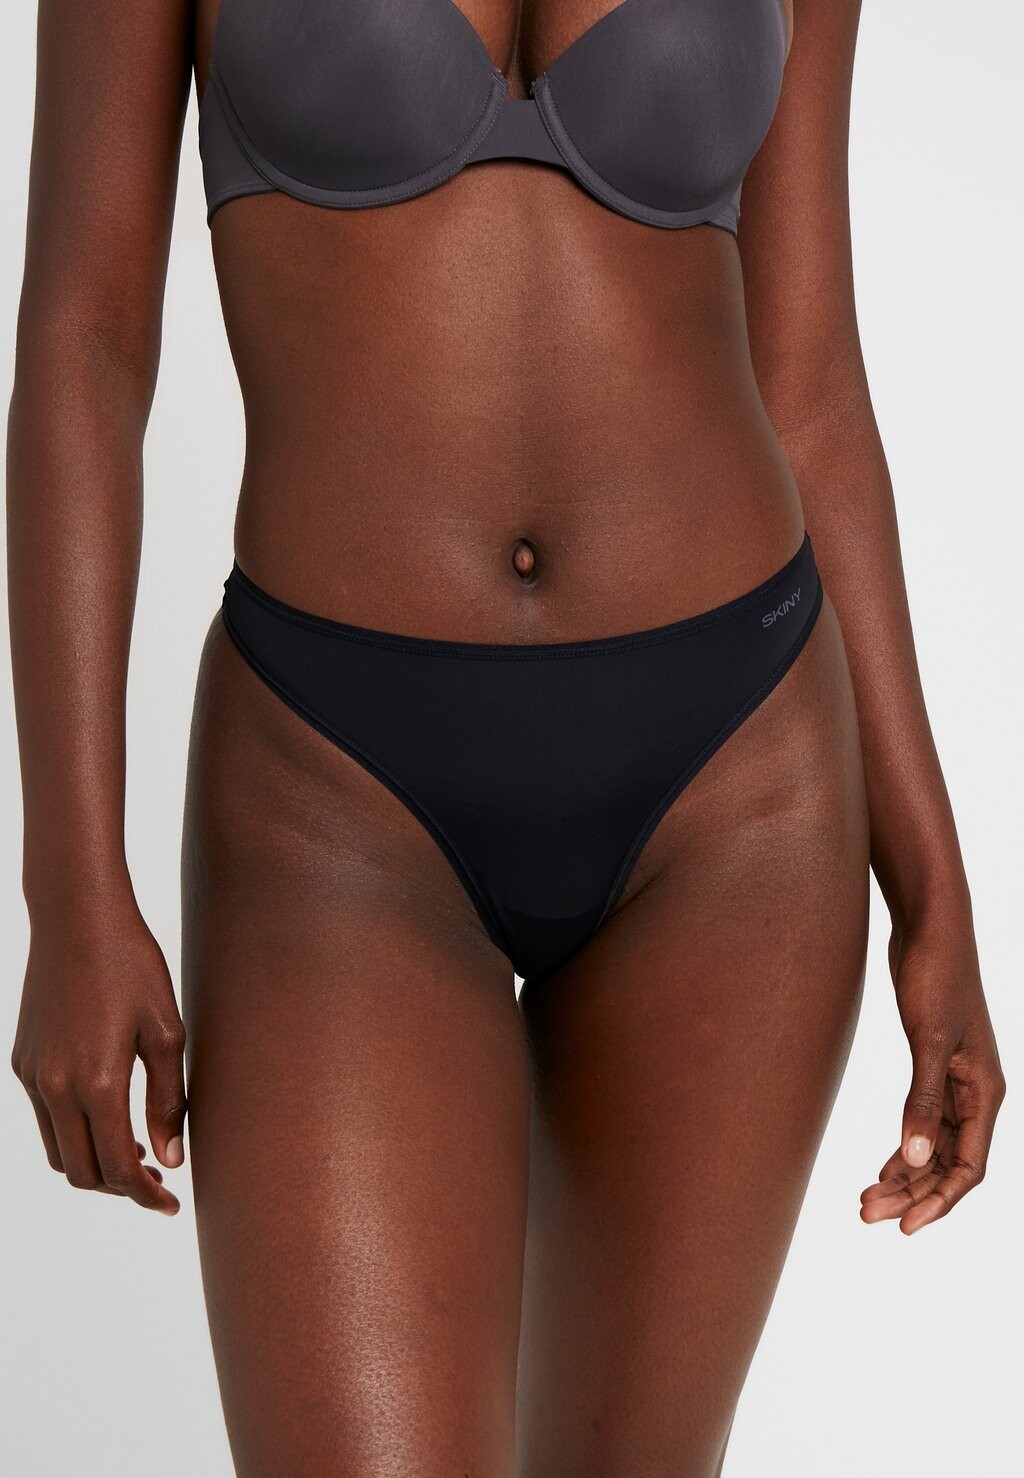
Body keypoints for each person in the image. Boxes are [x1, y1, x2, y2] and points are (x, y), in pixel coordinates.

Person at [6, 1, 1006, 1474]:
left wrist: (936, 891)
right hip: (333, 790)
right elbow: (84, 344)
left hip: (736, 783)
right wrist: (70, 886)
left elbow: (809, 385)